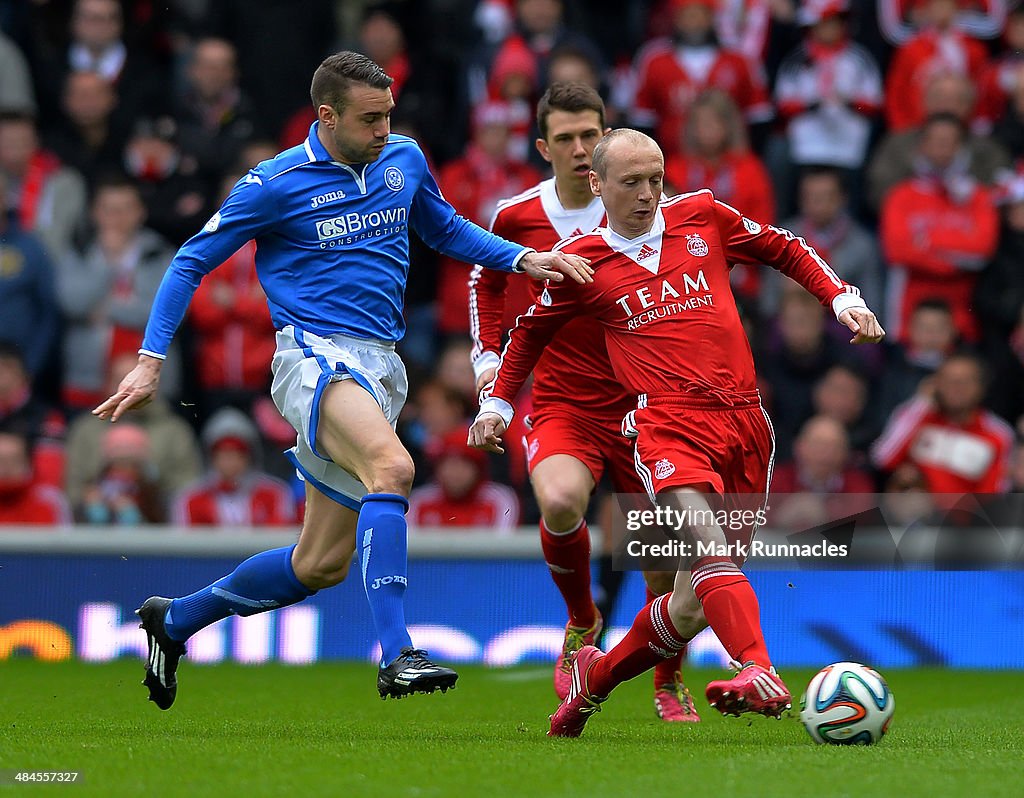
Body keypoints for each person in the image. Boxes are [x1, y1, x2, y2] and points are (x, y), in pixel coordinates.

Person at [92, 51, 592, 710]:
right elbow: (190, 261)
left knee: (318, 564)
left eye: (389, 114)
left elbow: (441, 228)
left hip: (380, 365)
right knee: (394, 466)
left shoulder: (404, 159)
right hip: (312, 358)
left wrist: (523, 257)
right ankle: (398, 654)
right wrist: (152, 359)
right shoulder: (273, 183)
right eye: (370, 118)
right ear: (326, 116)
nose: (386, 129)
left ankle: (174, 620)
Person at [469, 129, 884, 736]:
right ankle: (759, 668)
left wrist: (840, 298)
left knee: (693, 604)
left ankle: (592, 683)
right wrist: (498, 407)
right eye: (631, 182)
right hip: (666, 425)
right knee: (708, 547)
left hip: (745, 424)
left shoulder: (703, 217)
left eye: (655, 179)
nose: (646, 194)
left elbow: (784, 247)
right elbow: (529, 333)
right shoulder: (583, 264)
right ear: (598, 184)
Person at [469, 84, 698, 722]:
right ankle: (581, 621)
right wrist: (489, 364)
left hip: (645, 404)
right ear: (543, 147)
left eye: (590, 136)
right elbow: (485, 282)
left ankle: (666, 682)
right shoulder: (518, 216)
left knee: (665, 565)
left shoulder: (643, 208)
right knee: (562, 499)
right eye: (565, 138)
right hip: (566, 399)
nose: (579, 149)